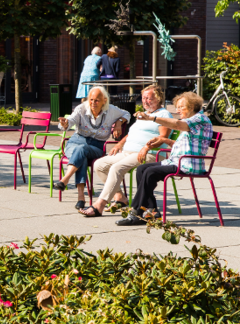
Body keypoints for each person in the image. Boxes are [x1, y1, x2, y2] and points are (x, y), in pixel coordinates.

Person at [116, 92, 213, 226]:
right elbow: (185, 144)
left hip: (188, 163)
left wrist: (151, 118)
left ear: (191, 107)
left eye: (181, 107)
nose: (177, 110)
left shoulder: (199, 119)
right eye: (177, 107)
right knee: (142, 169)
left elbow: (177, 125)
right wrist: (165, 140)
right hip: (177, 160)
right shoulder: (191, 121)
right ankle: (152, 210)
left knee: (150, 172)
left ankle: (136, 212)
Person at [79, 85, 172, 217]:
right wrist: (119, 144)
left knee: (117, 168)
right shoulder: (144, 115)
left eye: (149, 98)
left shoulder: (163, 115)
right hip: (128, 152)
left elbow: (163, 138)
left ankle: (99, 205)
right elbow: (131, 133)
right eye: (144, 98)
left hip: (150, 153)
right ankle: (120, 198)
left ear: (158, 99)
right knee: (99, 165)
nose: (145, 101)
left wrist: (146, 147)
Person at [53, 86, 130, 209]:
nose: (93, 103)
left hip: (96, 146)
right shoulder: (81, 108)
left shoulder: (111, 110)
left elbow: (127, 113)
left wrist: (119, 122)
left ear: (104, 100)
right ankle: (80, 198)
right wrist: (65, 124)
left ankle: (66, 180)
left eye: (97, 100)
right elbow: (71, 121)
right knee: (81, 153)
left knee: (81, 150)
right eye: (91, 99)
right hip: (75, 142)